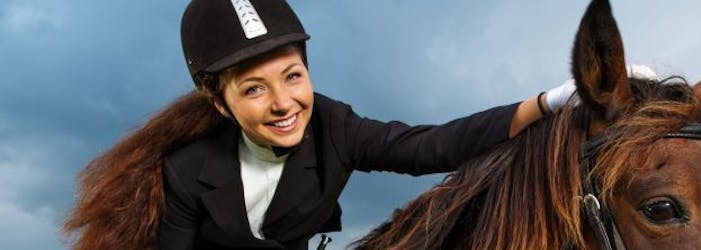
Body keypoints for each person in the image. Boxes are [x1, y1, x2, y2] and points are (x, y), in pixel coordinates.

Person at [61, 1, 583, 249]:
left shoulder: (336, 127)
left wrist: (548, 102)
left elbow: (436, 146)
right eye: (253, 88)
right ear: (220, 104)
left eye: (293, 76)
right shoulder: (185, 170)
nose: (284, 103)